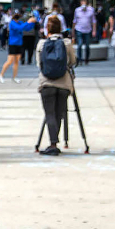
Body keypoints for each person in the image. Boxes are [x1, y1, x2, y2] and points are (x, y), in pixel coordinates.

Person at [36, 16, 77, 156]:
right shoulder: (66, 43)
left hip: (46, 83)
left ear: (47, 29)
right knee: (59, 113)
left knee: (49, 113)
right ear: (60, 28)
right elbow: (72, 61)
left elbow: (39, 64)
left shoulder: (41, 44)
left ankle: (53, 143)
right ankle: (56, 142)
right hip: (64, 83)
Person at [0, 12, 37, 84]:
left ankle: (14, 77)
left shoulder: (20, 22)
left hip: (19, 43)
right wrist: (28, 21)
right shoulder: (12, 23)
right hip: (13, 43)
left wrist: (32, 23)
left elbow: (27, 28)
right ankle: (1, 75)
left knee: (16, 62)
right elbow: (19, 28)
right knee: (10, 61)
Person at [72, 0, 96, 66]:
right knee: (79, 45)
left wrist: (94, 30)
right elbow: (74, 21)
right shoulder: (77, 10)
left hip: (88, 30)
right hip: (79, 29)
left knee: (87, 46)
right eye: (82, 2)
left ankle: (87, 59)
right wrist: (73, 30)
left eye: (84, 2)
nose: (83, 3)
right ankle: (79, 59)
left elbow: (94, 21)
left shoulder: (91, 10)